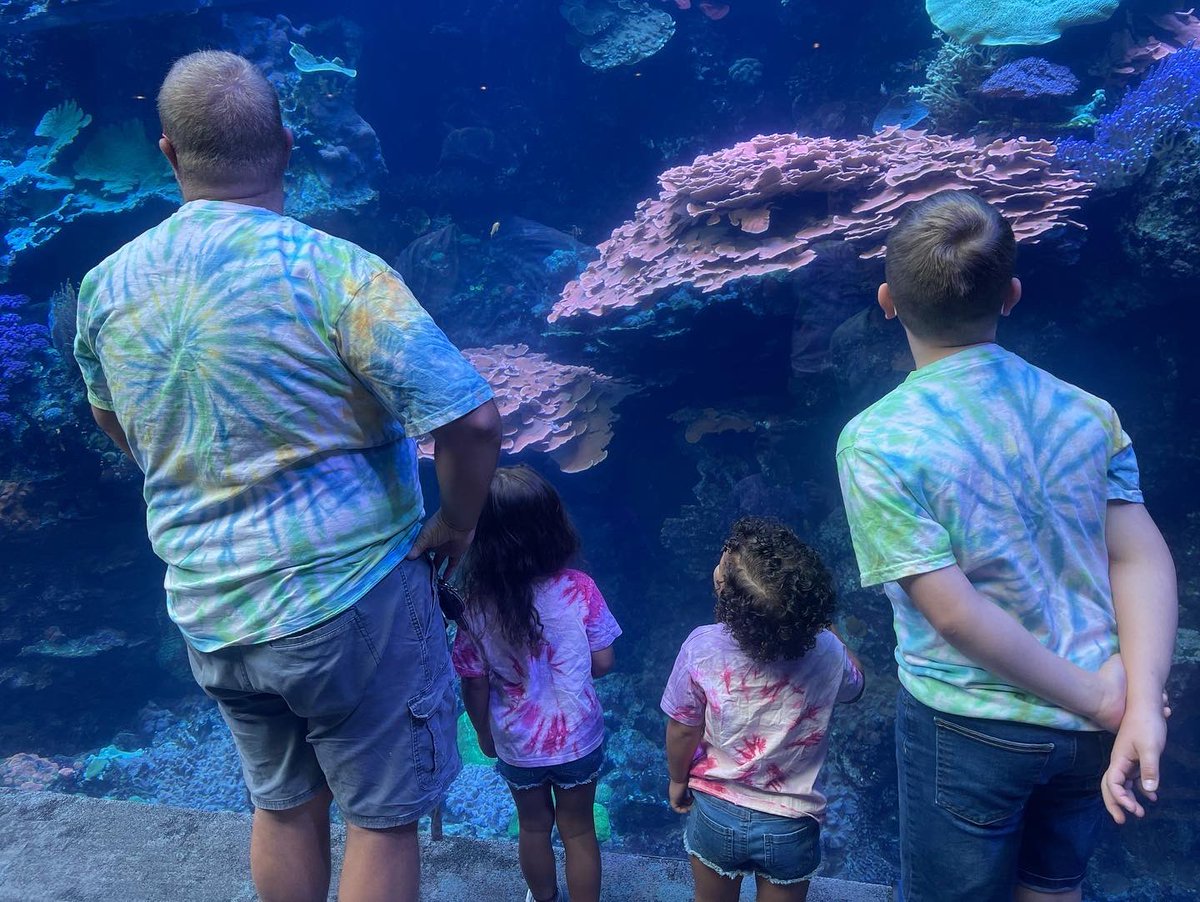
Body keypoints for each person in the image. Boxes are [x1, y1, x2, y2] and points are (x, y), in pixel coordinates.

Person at [73, 50, 502, 902]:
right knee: (380, 819)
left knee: (283, 805)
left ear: (167, 152)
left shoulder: (105, 286)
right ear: (289, 142)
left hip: (212, 612)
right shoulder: (337, 272)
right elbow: (474, 420)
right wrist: (457, 519)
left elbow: (112, 417)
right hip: (348, 604)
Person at [835, 190, 1178, 902]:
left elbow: (952, 615)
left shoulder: (878, 439)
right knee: (1053, 890)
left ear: (888, 301)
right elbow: (1140, 556)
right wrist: (1136, 699)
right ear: (1012, 294)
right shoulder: (1087, 412)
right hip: (1091, 725)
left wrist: (1104, 698)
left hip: (971, 726)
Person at [661, 517, 865, 902]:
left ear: (723, 593)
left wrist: (676, 778)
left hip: (716, 812)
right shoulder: (827, 650)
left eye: (722, 565)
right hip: (791, 822)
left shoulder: (701, 648)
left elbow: (683, 727)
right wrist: (823, 629)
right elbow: (856, 686)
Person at [451, 466, 621, 902]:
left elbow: (474, 683)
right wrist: (573, 675)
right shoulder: (580, 589)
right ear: (553, 526)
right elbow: (603, 660)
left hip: (517, 741)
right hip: (579, 736)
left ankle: (543, 898)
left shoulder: (475, 605)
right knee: (579, 830)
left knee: (532, 826)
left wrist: (485, 733)